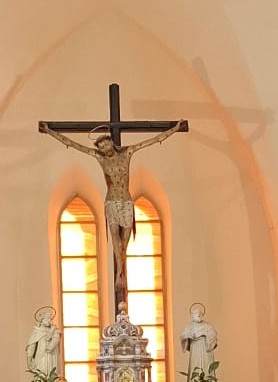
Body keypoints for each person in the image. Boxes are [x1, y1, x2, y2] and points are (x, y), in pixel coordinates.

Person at [40, 112, 187, 312]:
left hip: (126, 202)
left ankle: (121, 272)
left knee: (123, 244)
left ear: (111, 142)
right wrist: (50, 131)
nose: (104, 148)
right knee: (115, 240)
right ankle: (119, 274)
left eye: (106, 144)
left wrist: (175, 128)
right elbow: (73, 145)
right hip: (111, 203)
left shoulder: (127, 153)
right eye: (101, 147)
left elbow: (153, 140)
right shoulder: (100, 159)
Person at [178, 302, 219, 382]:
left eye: (200, 314)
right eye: (196, 314)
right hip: (195, 349)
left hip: (205, 350)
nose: (198, 316)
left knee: (206, 368)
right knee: (195, 368)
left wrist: (204, 335)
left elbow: (214, 337)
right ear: (192, 316)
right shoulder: (190, 327)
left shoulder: (208, 326)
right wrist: (190, 336)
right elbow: (182, 337)